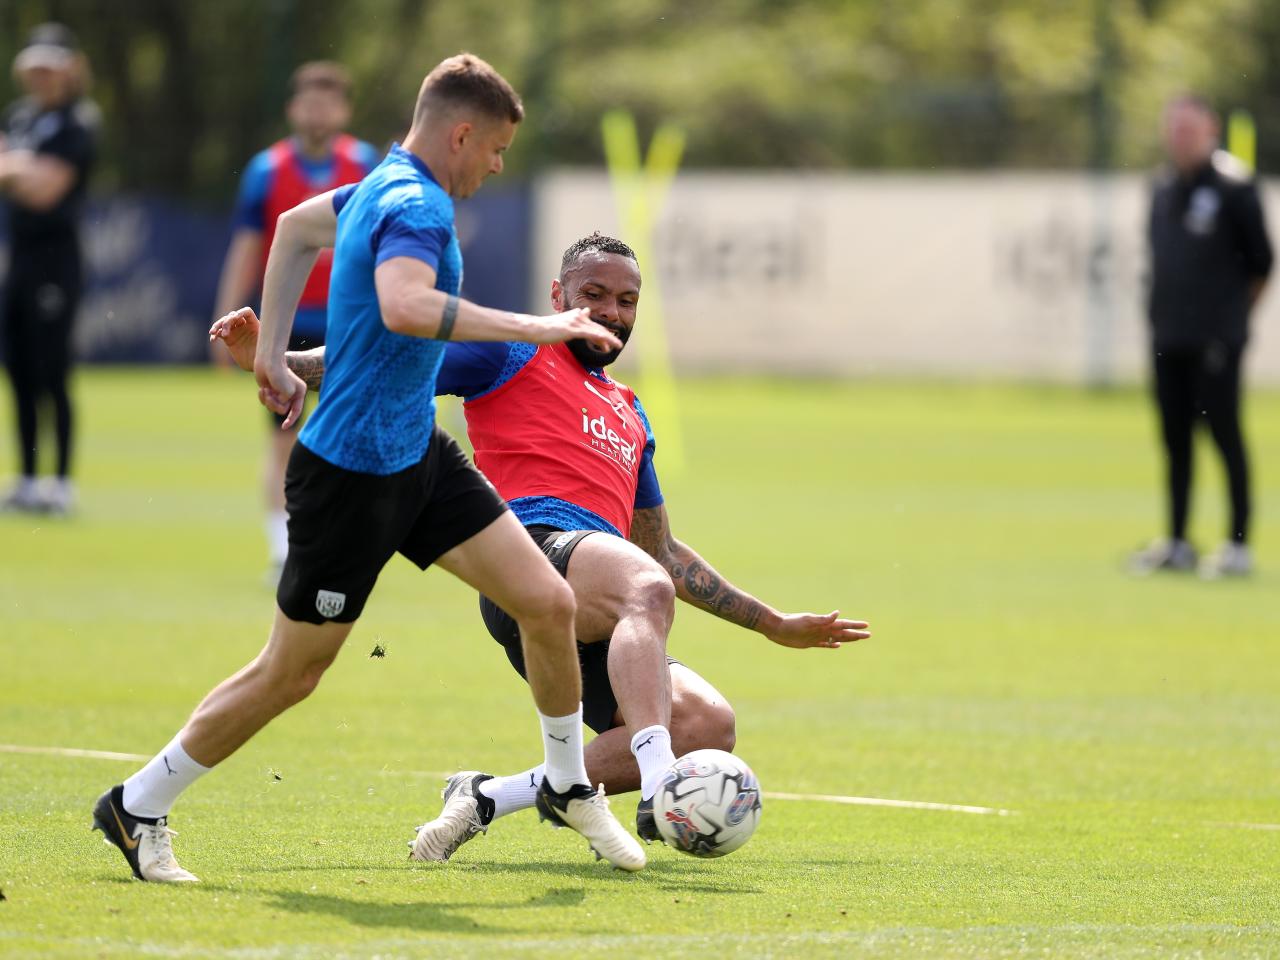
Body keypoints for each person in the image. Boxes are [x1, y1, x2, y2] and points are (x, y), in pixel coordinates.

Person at [92, 53, 645, 884]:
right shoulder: (417, 204)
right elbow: (405, 306)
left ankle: (567, 784)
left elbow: (293, 232)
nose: (496, 167)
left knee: (547, 601)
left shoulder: (381, 182)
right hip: (350, 474)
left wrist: (272, 358)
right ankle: (135, 805)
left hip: (416, 454)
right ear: (461, 133)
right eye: (494, 150)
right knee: (292, 673)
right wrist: (540, 325)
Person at [211, 232, 870, 860]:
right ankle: (663, 776)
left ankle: (489, 797)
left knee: (709, 725)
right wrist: (277, 362)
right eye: (595, 294)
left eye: (627, 299)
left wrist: (772, 624)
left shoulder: (631, 413)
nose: (611, 311)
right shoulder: (514, 351)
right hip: (528, 556)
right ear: (559, 296)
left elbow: (663, 551)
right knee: (644, 592)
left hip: (599, 600)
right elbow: (394, 364)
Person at [211, 62, 380, 580]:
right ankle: (283, 551)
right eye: (309, 101)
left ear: (344, 110)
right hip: (287, 324)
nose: (318, 111)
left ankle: (339, 542)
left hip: (349, 324)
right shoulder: (267, 169)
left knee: (352, 434)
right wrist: (226, 307)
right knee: (284, 436)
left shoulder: (365, 163)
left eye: (328, 102)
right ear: (292, 109)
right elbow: (246, 245)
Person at [1131, 94, 1273, 579]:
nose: (1180, 138)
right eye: (1174, 129)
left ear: (1210, 129)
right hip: (1168, 334)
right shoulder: (1163, 186)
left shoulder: (1235, 185)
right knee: (1175, 438)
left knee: (1224, 434)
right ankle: (1176, 540)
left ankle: (1237, 546)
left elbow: (1261, 264)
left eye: (1189, 129)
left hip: (1216, 339)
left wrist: (1229, 321)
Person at [0, 23, 98, 514]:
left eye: (49, 68)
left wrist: (14, 170)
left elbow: (47, 190)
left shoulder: (77, 123)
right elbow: (25, 177)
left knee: (51, 368)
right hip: (17, 257)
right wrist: (24, 169)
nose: (40, 78)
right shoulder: (19, 118)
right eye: (33, 68)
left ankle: (59, 482)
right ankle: (25, 477)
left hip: (56, 261)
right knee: (16, 367)